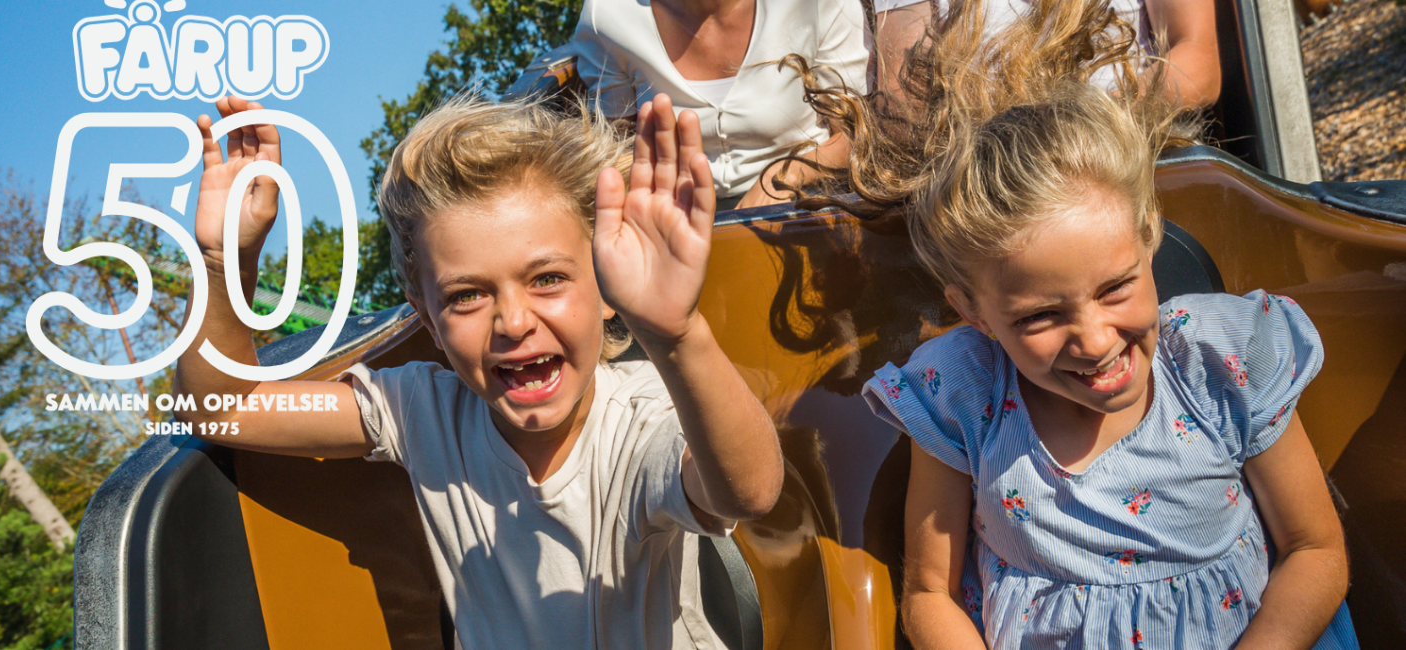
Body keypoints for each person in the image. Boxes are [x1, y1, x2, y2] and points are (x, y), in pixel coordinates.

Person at [793, 0, 1356, 646]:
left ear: (1149, 236)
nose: (1093, 339)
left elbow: (1315, 549)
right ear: (973, 311)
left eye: (1116, 288)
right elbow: (929, 594)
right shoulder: (965, 396)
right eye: (1040, 316)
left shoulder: (1220, 361)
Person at [172, 94, 783, 649]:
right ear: (430, 323)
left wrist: (676, 335)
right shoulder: (420, 412)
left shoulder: (638, 416)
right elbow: (222, 409)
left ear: (606, 289)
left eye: (547, 279)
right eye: (467, 296)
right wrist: (224, 259)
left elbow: (747, 489)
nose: (513, 321)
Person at [571, 0, 870, 209]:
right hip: (675, 214)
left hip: (809, 200)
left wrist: (787, 173)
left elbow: (855, 135)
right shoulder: (606, 16)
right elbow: (618, 148)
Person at [872, 0, 1220, 108]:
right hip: (990, 184)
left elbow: (1199, 62)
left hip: (1131, 159)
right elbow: (903, 103)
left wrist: (1093, 118)